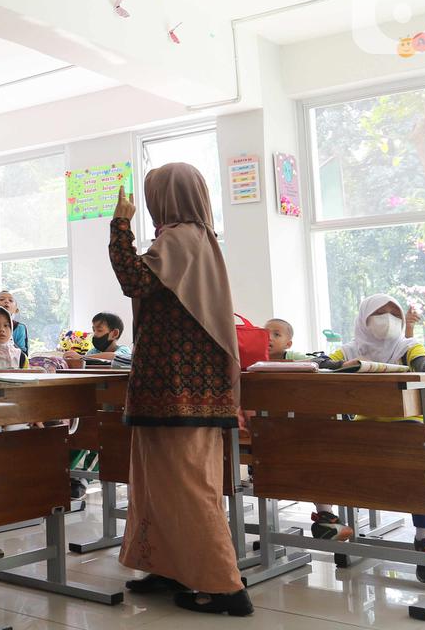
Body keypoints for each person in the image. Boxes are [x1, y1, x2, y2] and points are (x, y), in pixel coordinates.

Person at [107, 165, 252, 616]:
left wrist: (120, 224)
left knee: (187, 486)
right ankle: (168, 565)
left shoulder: (180, 238)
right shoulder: (194, 239)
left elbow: (134, 280)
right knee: (158, 483)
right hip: (174, 387)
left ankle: (224, 586)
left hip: (178, 387)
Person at [314, 293, 425, 582]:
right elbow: (322, 364)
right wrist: (341, 365)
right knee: (322, 448)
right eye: (379, 313)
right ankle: (326, 517)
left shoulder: (407, 345)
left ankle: (424, 538)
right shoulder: (350, 348)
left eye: (394, 313)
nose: (388, 320)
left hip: (408, 425)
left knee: (415, 473)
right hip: (364, 424)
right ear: (363, 319)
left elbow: (423, 361)